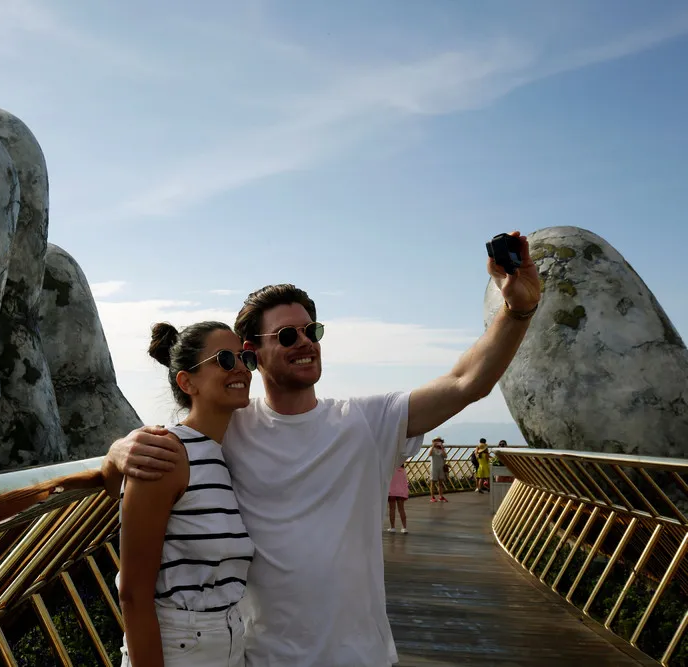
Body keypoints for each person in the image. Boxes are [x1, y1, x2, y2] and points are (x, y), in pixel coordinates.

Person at [101, 231, 541, 666]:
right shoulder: (232, 427)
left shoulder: (367, 421)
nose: (306, 342)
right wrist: (117, 452)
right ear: (253, 352)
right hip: (262, 659)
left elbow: (465, 383)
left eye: (311, 330)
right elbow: (170, 452)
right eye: (286, 336)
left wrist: (517, 311)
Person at [117, 320, 257, 666]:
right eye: (225, 359)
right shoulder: (167, 454)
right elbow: (133, 594)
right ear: (187, 382)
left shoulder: (229, 451)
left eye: (245, 358)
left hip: (230, 642)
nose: (241, 368)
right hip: (179, 647)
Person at [387, 462, 410, 533]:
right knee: (401, 509)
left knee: (392, 509)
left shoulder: (390, 470)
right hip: (401, 492)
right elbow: (405, 483)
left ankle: (392, 527)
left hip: (391, 492)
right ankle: (404, 528)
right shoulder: (403, 471)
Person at [428, 437, 448, 503]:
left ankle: (441, 496)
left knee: (440, 483)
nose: (438, 442)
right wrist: (433, 446)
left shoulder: (443, 449)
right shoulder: (431, 448)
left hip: (441, 467)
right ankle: (432, 497)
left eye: (439, 441)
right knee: (433, 482)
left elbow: (445, 456)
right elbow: (429, 454)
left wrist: (442, 448)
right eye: (436, 441)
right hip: (434, 467)